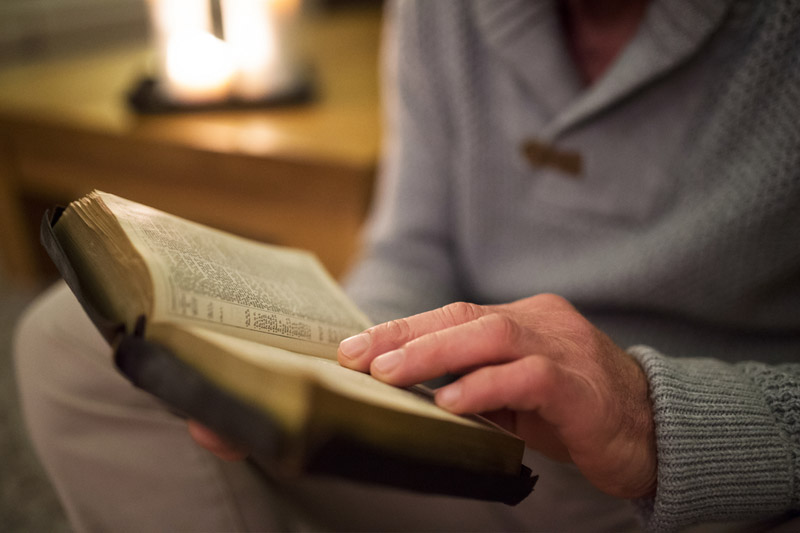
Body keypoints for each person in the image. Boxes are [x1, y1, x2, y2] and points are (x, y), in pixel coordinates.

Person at [13, 0, 800, 531]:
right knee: (70, 338)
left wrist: (646, 416)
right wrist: (337, 363)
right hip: (483, 436)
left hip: (724, 475)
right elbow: (412, 244)